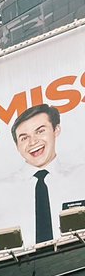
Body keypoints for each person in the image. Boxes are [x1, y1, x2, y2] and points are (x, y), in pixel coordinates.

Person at [10, 104, 85, 246]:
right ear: (17, 146)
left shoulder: (82, 176)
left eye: (40, 131)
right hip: (24, 267)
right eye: (24, 138)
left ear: (56, 130)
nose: (33, 142)